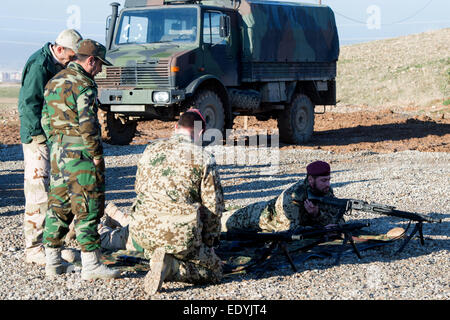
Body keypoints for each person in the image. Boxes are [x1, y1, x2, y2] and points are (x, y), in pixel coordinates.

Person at [41, 39, 120, 280]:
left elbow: (45, 120)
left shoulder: (54, 81)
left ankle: (53, 263)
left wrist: (58, 143)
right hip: (80, 155)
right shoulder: (85, 84)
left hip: (58, 153)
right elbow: (88, 124)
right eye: (99, 65)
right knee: (87, 205)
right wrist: (96, 155)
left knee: (59, 206)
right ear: (90, 60)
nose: (100, 71)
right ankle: (91, 265)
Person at [127, 109, 225, 295]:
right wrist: (209, 244)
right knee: (215, 271)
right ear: (201, 132)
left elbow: (139, 190)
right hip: (179, 235)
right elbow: (214, 208)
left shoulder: (150, 149)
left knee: (158, 243)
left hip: (143, 232)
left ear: (175, 127)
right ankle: (172, 266)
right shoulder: (203, 157)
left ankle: (155, 257)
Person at [18, 29, 83, 265]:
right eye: (71, 56)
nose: (72, 61)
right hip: (38, 138)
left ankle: (54, 243)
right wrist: (38, 137)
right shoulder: (39, 64)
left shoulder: (58, 63)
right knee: (38, 192)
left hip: (54, 136)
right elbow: (28, 104)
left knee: (57, 191)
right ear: (59, 49)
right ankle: (34, 248)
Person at [222, 160, 345, 232]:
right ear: (311, 180)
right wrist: (320, 228)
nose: (328, 184)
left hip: (271, 213)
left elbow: (338, 220)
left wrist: (317, 215)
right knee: (222, 221)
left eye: (329, 180)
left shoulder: (325, 190)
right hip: (259, 217)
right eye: (324, 180)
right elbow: (289, 231)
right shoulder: (293, 195)